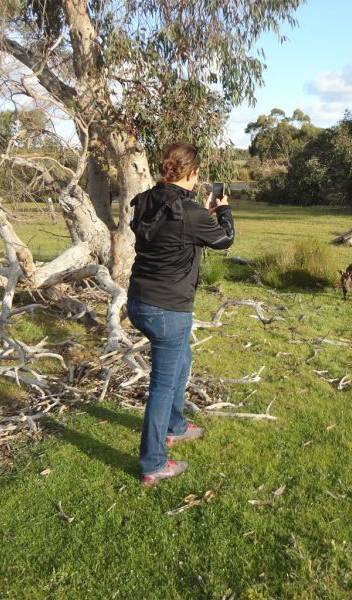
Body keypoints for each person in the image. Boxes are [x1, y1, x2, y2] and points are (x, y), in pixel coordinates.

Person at [126, 142, 234, 486]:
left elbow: (169, 232)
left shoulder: (145, 201)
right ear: (193, 174)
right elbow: (225, 240)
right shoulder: (191, 213)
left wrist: (200, 215)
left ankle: (175, 425)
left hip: (139, 302)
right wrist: (223, 210)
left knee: (182, 360)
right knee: (162, 384)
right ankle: (154, 462)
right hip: (168, 310)